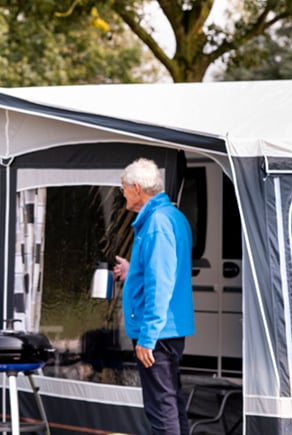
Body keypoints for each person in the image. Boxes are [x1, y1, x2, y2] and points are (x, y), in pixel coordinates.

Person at [110, 158, 196, 435]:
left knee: (161, 407)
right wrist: (132, 270)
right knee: (170, 401)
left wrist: (147, 338)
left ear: (137, 188)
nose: (122, 192)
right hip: (168, 329)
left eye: (123, 188)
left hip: (158, 333)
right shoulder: (172, 216)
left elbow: (161, 283)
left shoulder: (157, 223)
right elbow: (162, 268)